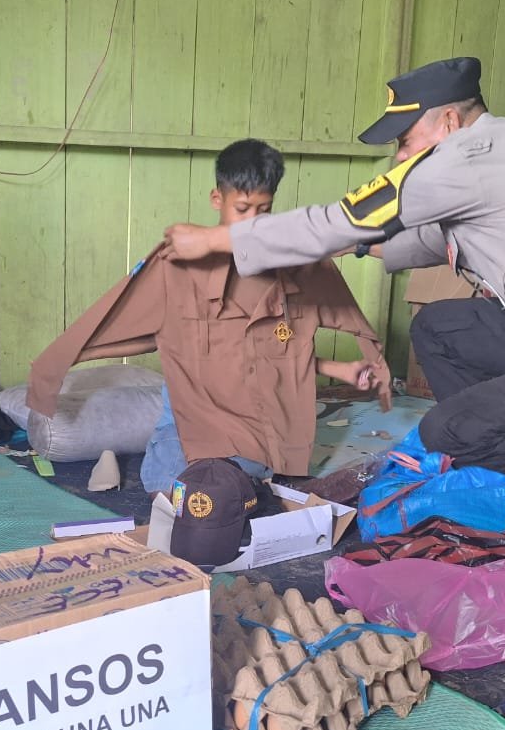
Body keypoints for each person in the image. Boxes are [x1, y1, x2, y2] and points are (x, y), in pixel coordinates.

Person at [162, 57, 505, 571]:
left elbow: (354, 214)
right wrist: (336, 247)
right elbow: (413, 237)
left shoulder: (476, 157)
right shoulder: (503, 155)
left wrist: (218, 239)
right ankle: (498, 465)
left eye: (405, 140)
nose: (400, 156)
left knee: (447, 429)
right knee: (440, 328)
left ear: (449, 122)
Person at [28, 138, 391, 493]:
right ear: (217, 199)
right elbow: (112, 320)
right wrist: (53, 366)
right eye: (242, 209)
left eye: (263, 211)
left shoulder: (292, 269)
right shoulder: (179, 268)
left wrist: (340, 370)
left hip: (257, 426)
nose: (252, 223)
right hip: (194, 423)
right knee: (179, 490)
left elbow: (277, 353)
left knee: (248, 482)